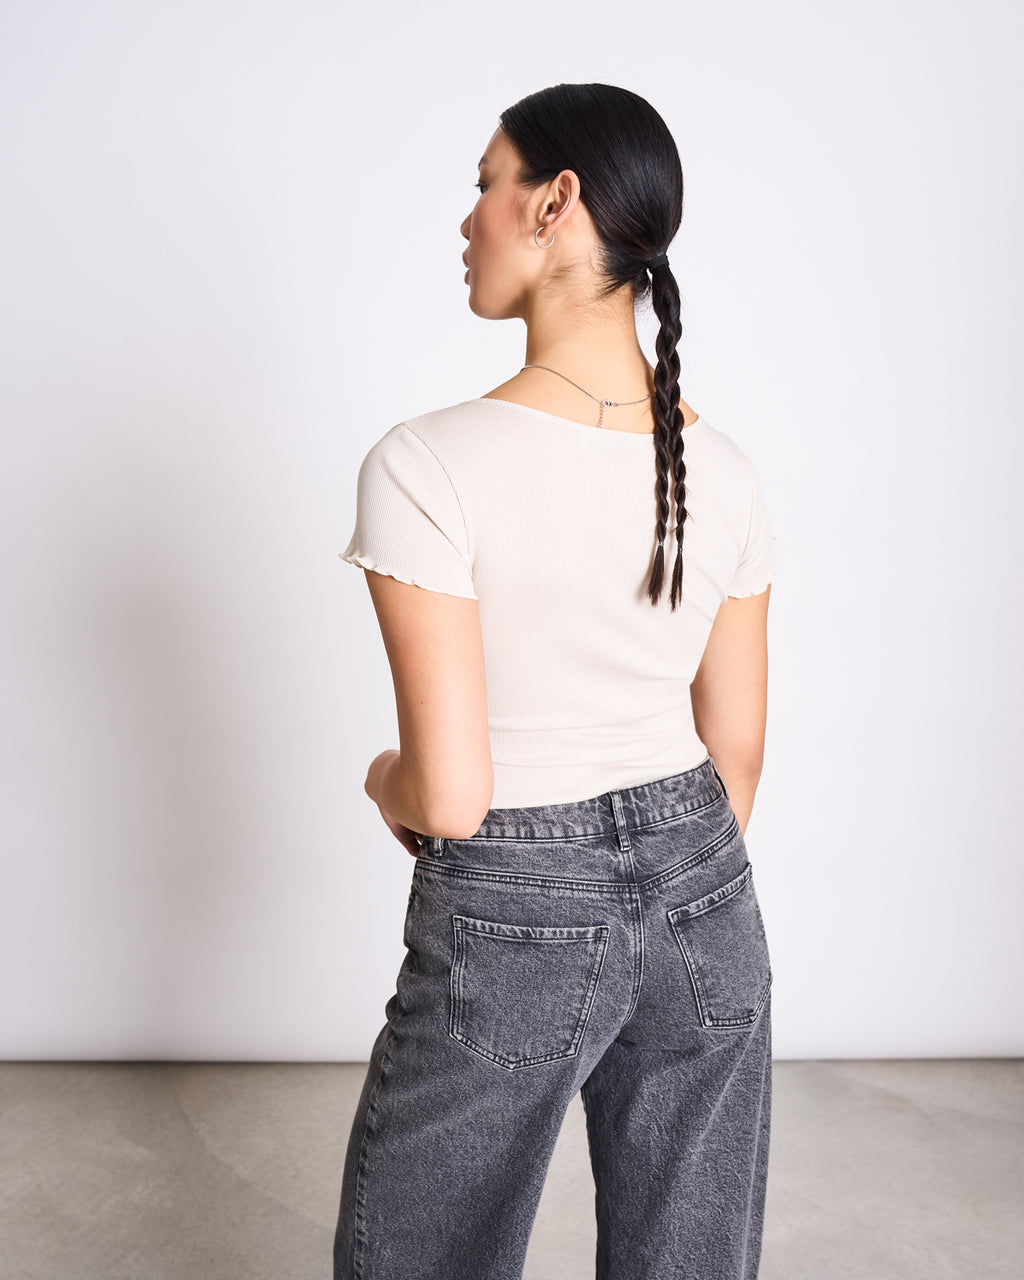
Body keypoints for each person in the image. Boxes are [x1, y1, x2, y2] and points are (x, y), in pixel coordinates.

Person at [332, 82, 778, 1280]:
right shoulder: (725, 469)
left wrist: (381, 776)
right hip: (708, 893)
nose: (466, 216)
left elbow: (451, 793)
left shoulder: (426, 462)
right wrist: (665, 883)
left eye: (486, 183)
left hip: (512, 906)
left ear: (553, 201)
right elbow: (734, 756)